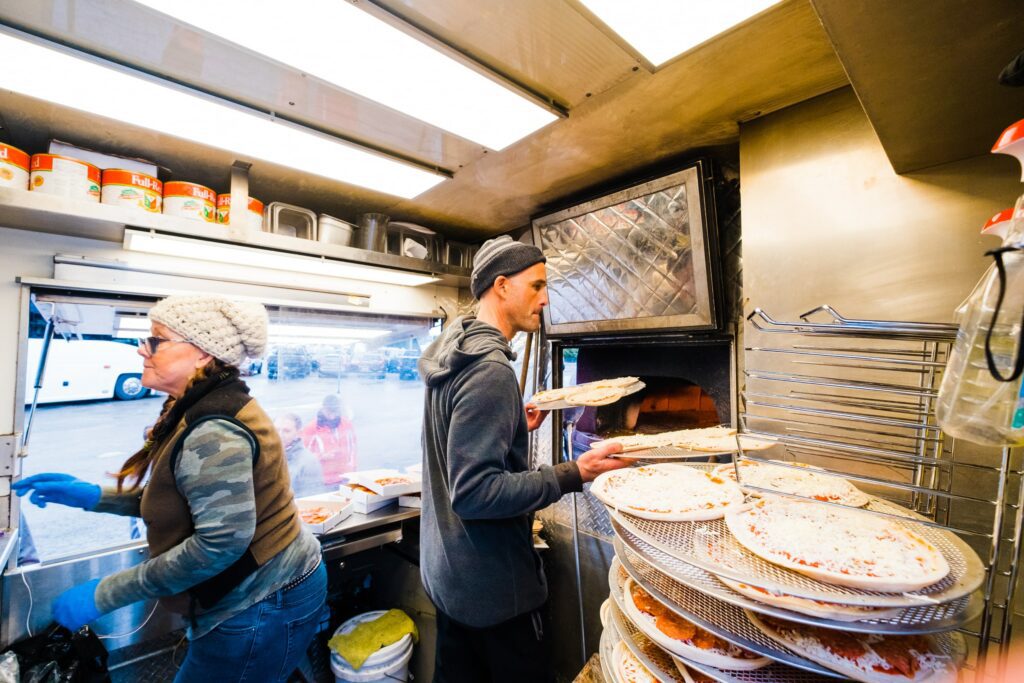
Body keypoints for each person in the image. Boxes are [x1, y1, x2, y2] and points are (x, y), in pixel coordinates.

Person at [13, 295, 326, 683]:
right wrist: (93, 496)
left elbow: (219, 545)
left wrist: (106, 593)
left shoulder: (214, 430)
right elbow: (180, 499)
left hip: (263, 599)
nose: (142, 349)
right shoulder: (190, 406)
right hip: (248, 591)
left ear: (202, 355)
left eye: (157, 340)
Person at [418, 235, 631, 682]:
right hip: (495, 592)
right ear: (501, 286)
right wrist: (576, 472)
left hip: (451, 578)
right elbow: (474, 494)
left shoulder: (454, 350)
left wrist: (513, 425)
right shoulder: (491, 371)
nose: (545, 298)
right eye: (536, 286)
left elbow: (454, 442)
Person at [302, 394, 357, 485]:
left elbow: (353, 450)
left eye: (335, 412)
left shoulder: (347, 425)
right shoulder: (311, 428)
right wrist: (322, 456)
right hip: (324, 480)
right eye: (329, 412)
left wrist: (353, 470)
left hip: (346, 476)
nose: (332, 416)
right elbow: (304, 457)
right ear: (323, 408)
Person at [275, 412, 325, 498]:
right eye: (276, 430)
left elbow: (311, 498)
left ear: (298, 433)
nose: (280, 435)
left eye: (286, 431)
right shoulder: (265, 456)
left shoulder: (308, 462)